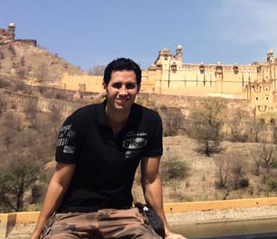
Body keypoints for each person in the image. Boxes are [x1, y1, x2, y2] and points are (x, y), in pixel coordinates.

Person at [30, 58, 185, 239]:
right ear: (105, 86)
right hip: (73, 215)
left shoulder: (149, 121)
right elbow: (59, 181)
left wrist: (166, 232)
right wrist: (37, 233)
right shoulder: (78, 122)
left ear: (139, 88)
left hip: (122, 215)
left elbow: (151, 180)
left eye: (130, 86)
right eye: (117, 85)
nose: (123, 92)